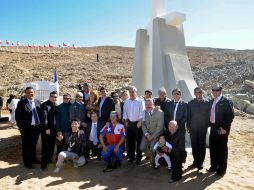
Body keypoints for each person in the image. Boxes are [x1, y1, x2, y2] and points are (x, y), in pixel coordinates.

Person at [207, 85, 234, 176]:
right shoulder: (211, 101)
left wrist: (225, 128)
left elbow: (230, 116)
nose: (215, 92)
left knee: (222, 149)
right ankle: (214, 166)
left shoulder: (226, 102)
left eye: (217, 90)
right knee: (213, 148)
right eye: (213, 90)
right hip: (213, 127)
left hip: (221, 128)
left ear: (221, 90)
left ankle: (221, 170)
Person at [15, 87, 42, 168]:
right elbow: (17, 116)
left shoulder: (38, 101)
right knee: (26, 146)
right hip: (26, 129)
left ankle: (33, 159)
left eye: (32, 92)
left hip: (36, 128)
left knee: (33, 145)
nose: (30, 94)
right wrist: (20, 127)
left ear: (34, 93)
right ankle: (27, 162)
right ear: (25, 93)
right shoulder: (21, 103)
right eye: (28, 92)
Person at [187, 87, 210, 171]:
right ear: (194, 94)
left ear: (202, 93)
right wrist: (188, 127)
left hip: (202, 129)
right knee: (194, 146)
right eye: (197, 92)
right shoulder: (191, 103)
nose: (199, 94)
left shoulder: (207, 103)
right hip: (193, 129)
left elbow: (209, 116)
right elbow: (188, 116)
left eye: (200, 92)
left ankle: (200, 163)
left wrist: (206, 125)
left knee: (201, 146)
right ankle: (195, 161)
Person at [123, 86, 145, 165]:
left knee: (138, 142)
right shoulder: (127, 101)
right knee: (130, 142)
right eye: (130, 91)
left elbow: (142, 112)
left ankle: (139, 158)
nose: (132, 93)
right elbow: (125, 112)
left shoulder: (140, 101)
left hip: (137, 124)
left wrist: (140, 121)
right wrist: (125, 120)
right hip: (129, 123)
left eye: (133, 91)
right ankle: (132, 157)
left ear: (136, 92)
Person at [40, 91, 58, 170]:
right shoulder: (44, 105)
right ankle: (43, 164)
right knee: (45, 147)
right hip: (47, 129)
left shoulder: (56, 105)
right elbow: (44, 118)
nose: (54, 98)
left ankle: (49, 160)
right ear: (49, 96)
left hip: (54, 129)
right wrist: (47, 128)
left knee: (51, 145)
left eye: (55, 97)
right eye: (52, 96)